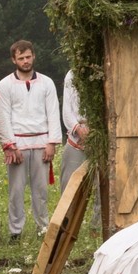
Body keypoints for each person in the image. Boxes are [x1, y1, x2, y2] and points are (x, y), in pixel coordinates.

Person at [0, 40, 60, 243]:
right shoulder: (5, 84)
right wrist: (9, 145)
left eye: (28, 57)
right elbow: (3, 115)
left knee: (40, 190)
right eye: (21, 58)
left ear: (33, 56)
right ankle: (15, 231)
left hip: (41, 142)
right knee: (16, 190)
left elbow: (53, 112)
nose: (25, 61)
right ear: (14, 59)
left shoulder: (46, 82)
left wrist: (52, 142)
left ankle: (43, 228)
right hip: (18, 144)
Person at [58, 68, 89, 200]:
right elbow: (67, 109)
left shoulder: (105, 69)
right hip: (76, 135)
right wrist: (78, 129)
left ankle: (99, 220)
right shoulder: (72, 74)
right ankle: (65, 219)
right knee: (69, 185)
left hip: (100, 133)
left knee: (102, 188)